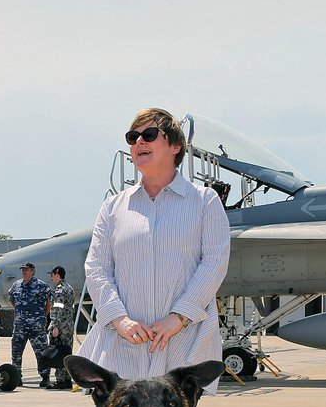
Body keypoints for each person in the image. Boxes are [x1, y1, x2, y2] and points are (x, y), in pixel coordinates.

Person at [78, 108, 229, 391]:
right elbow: (96, 267)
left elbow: (215, 262)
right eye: (133, 137)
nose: (139, 143)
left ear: (175, 146)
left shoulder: (205, 202)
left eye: (148, 135)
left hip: (182, 344)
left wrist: (180, 316)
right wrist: (120, 320)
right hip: (122, 348)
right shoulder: (113, 208)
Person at [8, 261, 52, 386]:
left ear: (33, 271)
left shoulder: (41, 286)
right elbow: (12, 301)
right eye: (23, 269)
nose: (24, 272)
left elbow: (48, 303)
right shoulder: (16, 285)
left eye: (26, 269)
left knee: (41, 352)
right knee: (16, 352)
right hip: (20, 326)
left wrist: (42, 316)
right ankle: (17, 376)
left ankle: (45, 377)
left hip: (36, 326)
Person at [46, 265, 77, 389]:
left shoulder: (59, 289)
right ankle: (67, 379)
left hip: (61, 326)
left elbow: (58, 309)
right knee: (67, 352)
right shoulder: (69, 288)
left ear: (57, 274)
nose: (51, 277)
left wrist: (55, 326)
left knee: (58, 352)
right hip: (68, 325)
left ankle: (60, 380)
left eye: (52, 275)